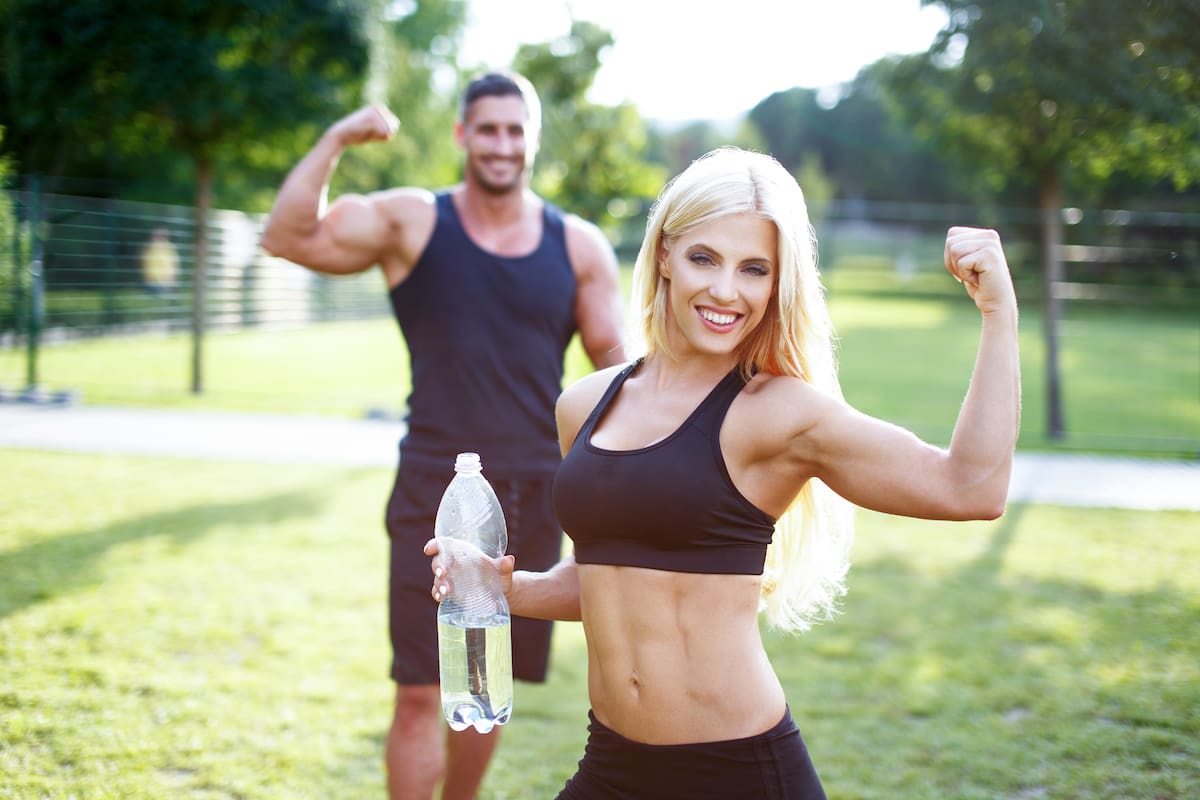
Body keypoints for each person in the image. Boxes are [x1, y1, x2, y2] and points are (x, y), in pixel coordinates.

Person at [426, 147, 1021, 798]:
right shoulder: (586, 406)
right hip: (613, 766)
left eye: (754, 269)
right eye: (704, 258)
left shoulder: (778, 414)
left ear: (775, 284)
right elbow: (606, 577)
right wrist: (500, 589)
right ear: (664, 257)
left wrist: (999, 313)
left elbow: (970, 487)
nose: (725, 290)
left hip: (738, 775)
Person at [260, 71, 626, 799]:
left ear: (533, 139)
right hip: (431, 486)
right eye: (487, 128)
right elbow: (287, 235)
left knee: (483, 695)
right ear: (462, 135)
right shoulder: (413, 223)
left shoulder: (579, 246)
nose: (501, 144)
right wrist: (337, 138)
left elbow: (618, 371)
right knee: (421, 691)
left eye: (515, 130)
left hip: (530, 491)